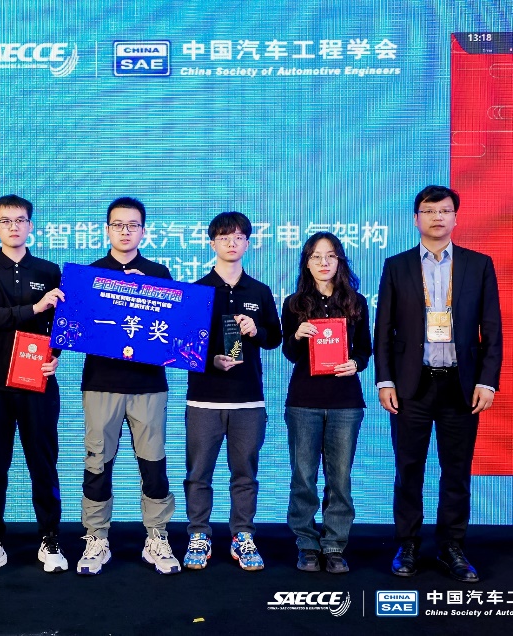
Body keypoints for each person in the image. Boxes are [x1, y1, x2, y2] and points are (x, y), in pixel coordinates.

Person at [375, 185, 502, 583]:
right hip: (411, 385)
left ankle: (452, 547)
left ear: (455, 218)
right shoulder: (396, 266)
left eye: (444, 210)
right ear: (416, 219)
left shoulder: (478, 265)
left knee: (457, 471)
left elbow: (492, 330)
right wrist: (384, 380)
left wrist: (487, 382)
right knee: (408, 468)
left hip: (461, 386)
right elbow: (383, 330)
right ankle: (408, 545)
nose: (437, 217)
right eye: (429, 211)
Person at [76, 197, 181, 576]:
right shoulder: (91, 274)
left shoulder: (159, 273)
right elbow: (76, 326)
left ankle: (157, 536)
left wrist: (145, 292)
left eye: (132, 225)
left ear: (143, 231)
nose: (125, 231)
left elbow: (174, 330)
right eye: (118, 225)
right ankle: (96, 537)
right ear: (107, 230)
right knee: (97, 463)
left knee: (153, 464)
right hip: (101, 383)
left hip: (148, 385)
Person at [0, 194, 68, 578]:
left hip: (37, 379)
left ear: (31, 226)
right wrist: (35, 308)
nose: (14, 226)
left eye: (20, 220)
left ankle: (50, 538)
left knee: (43, 463)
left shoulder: (49, 270)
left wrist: (56, 355)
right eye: (5, 221)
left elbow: (62, 323)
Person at [182, 212, 282, 572]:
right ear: (212, 243)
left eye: (239, 237)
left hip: (248, 399)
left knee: (245, 474)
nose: (231, 243)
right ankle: (199, 534)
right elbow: (184, 346)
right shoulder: (197, 290)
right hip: (204, 398)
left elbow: (275, 338)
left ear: (248, 244)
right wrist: (212, 360)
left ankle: (243, 535)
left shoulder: (259, 291)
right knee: (199, 474)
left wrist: (256, 331)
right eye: (224, 237)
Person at [281, 232, 371, 574]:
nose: (323, 262)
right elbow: (290, 353)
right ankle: (306, 544)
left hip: (346, 402)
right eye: (316, 256)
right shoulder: (293, 304)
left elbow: (365, 350)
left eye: (330, 256)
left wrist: (356, 364)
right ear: (306, 262)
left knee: (340, 479)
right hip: (304, 401)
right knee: (303, 477)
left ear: (339, 261)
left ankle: (334, 545)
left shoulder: (356, 302)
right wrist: (297, 335)